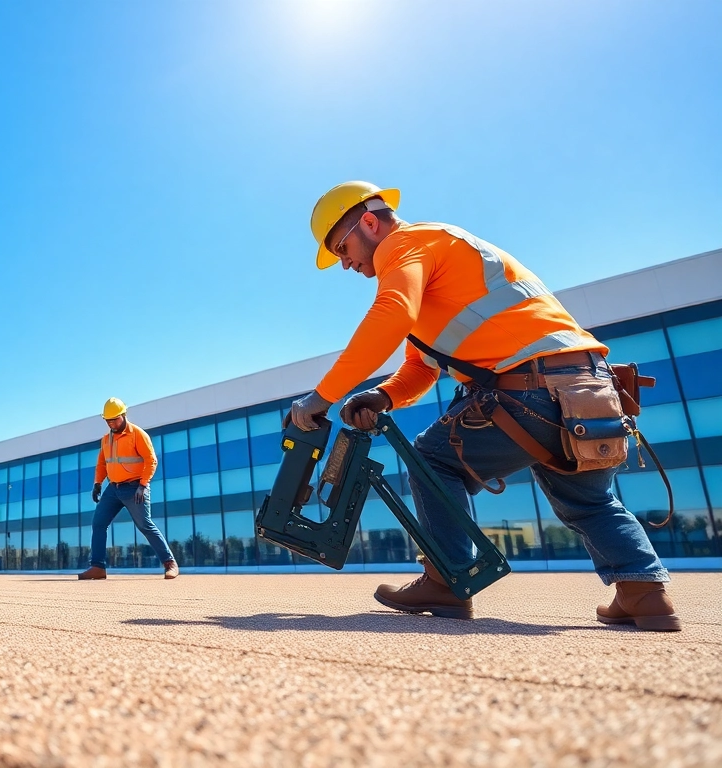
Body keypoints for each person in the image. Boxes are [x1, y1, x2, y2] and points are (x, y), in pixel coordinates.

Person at [286, 181, 680, 631]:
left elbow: (391, 313)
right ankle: (644, 593)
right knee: (589, 500)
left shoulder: (405, 244)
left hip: (530, 390)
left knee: (432, 459)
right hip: (587, 389)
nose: (345, 263)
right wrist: (383, 395)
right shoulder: (440, 261)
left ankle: (448, 579)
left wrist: (321, 397)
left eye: (342, 247)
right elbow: (421, 366)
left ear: (370, 223)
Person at [78, 398, 179, 580]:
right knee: (98, 523)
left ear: (123, 415)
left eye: (114, 419)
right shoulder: (106, 440)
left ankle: (170, 563)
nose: (111, 423)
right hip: (113, 489)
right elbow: (102, 463)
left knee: (145, 525)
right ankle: (98, 567)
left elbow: (151, 460)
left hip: (135, 487)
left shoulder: (137, 434)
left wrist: (143, 485)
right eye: (108, 420)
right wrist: (97, 483)